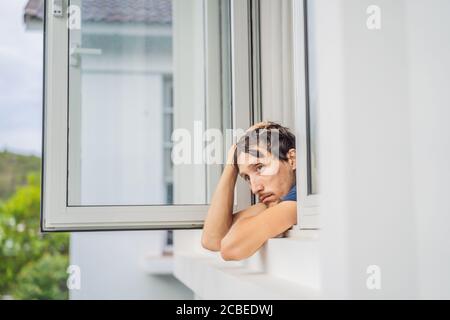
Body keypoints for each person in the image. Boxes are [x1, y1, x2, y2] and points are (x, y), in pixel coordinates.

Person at [201, 121, 297, 261]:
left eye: (259, 168)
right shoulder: (279, 200)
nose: (254, 188)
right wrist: (231, 164)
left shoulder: (299, 201)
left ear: (292, 159)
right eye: (246, 177)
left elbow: (230, 248)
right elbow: (213, 239)